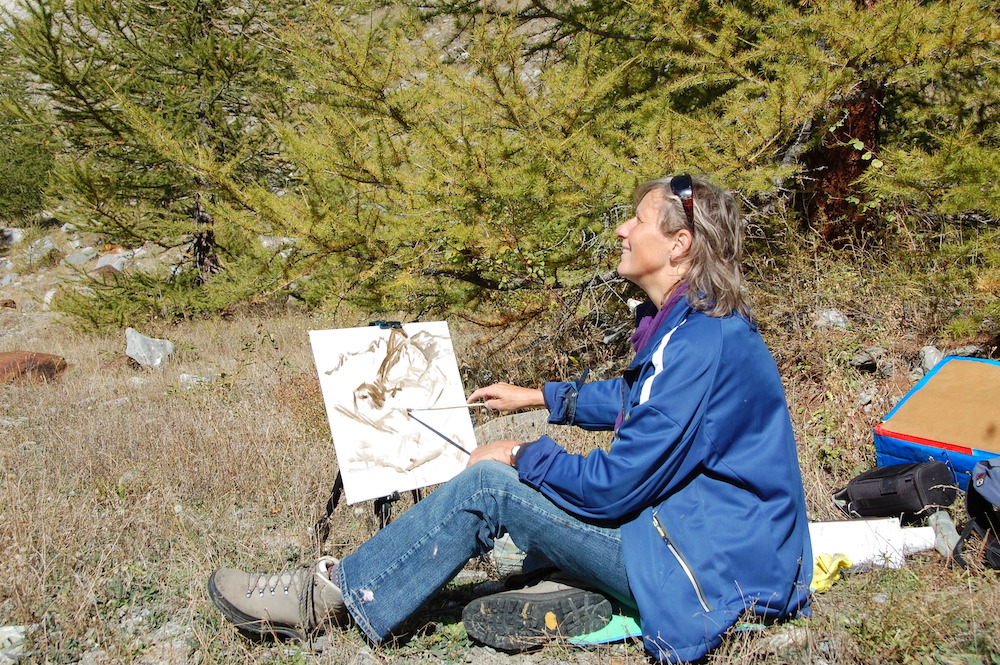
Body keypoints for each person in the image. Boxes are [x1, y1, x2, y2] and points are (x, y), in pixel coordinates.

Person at [207, 174, 812, 662]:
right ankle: (566, 583)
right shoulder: (695, 325)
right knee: (523, 493)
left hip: (706, 568)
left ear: (679, 245)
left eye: (639, 219)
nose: (624, 229)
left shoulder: (701, 341)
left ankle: (332, 597)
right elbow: (642, 404)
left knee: (494, 485)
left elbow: (614, 486)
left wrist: (523, 454)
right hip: (708, 539)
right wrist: (540, 398)